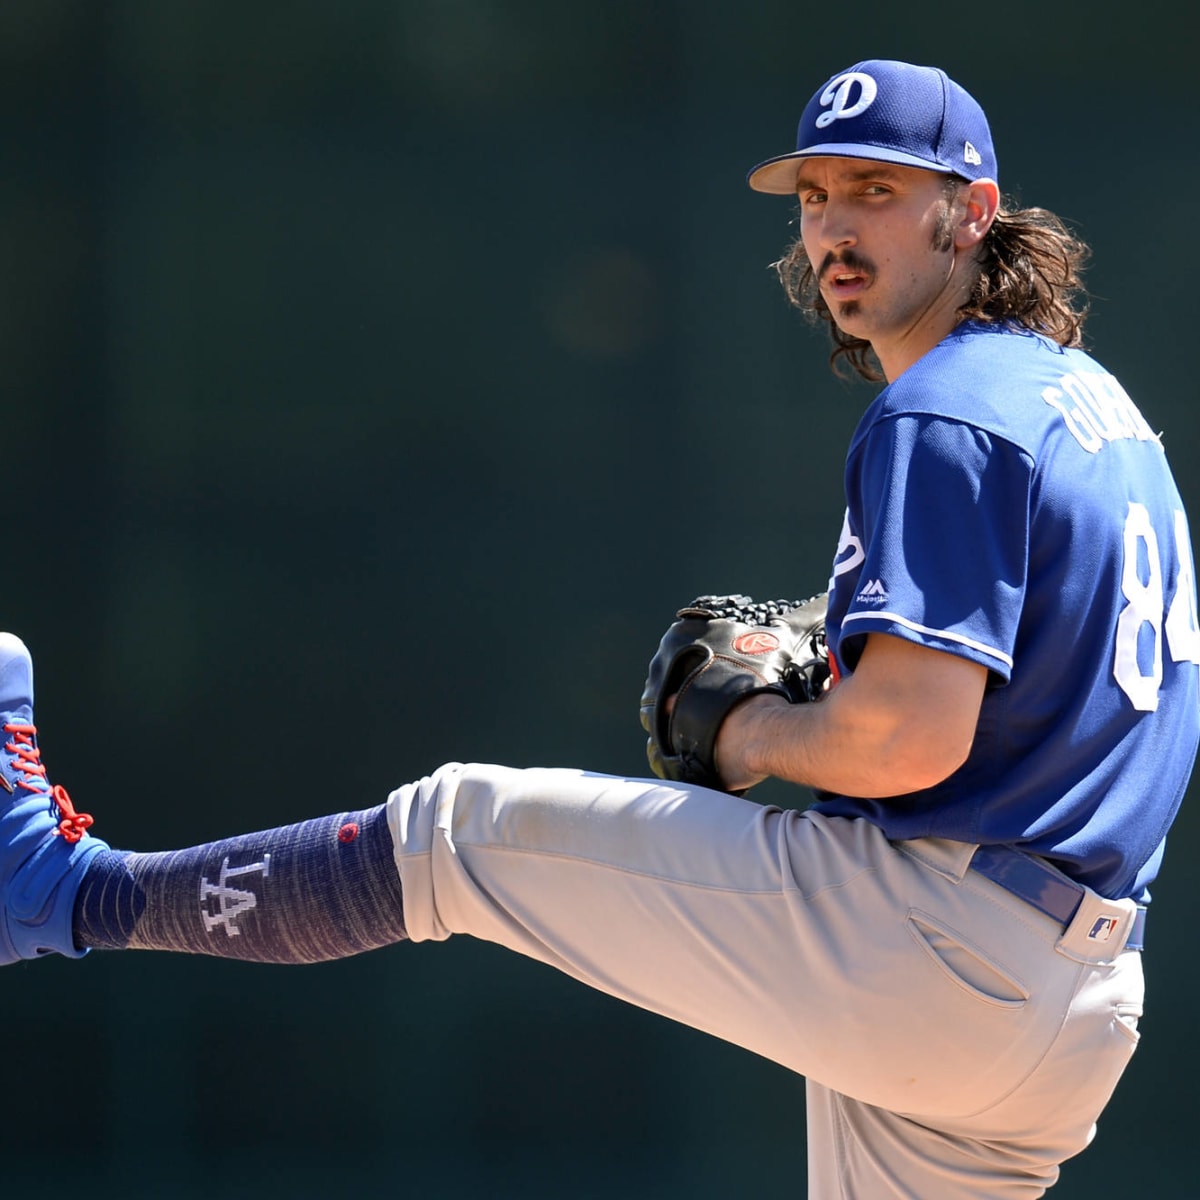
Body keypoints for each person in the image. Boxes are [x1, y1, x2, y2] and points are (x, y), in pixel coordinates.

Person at [3, 59, 1196, 1198]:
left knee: (458, 833)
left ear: (972, 211)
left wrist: (760, 735)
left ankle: (66, 893)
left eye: (878, 192)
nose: (835, 227)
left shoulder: (943, 411)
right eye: (819, 196)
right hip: (1076, 1001)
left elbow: (906, 743)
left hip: (944, 948)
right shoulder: (1092, 406)